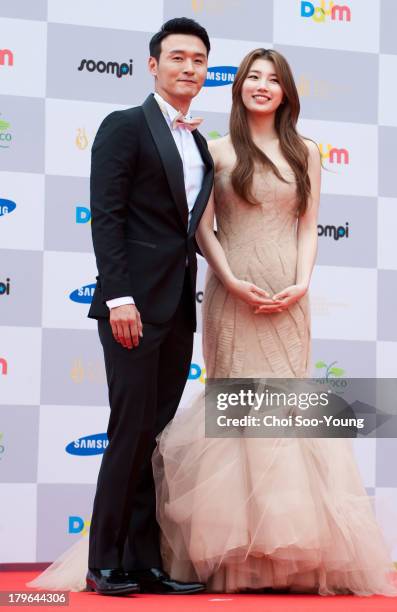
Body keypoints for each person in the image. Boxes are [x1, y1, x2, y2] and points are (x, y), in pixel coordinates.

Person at [151, 48, 397, 596]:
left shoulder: (306, 152)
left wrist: (302, 283)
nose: (262, 86)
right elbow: (203, 230)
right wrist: (229, 279)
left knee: (284, 412)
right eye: (252, 77)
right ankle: (234, 560)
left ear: (287, 91)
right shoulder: (213, 150)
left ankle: (284, 558)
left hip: (290, 299)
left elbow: (309, 226)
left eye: (273, 79)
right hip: (231, 294)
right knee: (236, 412)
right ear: (239, 87)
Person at [28, 17, 214, 596]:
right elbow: (105, 217)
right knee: (128, 430)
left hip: (178, 306)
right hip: (131, 306)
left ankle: (145, 563)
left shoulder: (199, 141)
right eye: (178, 57)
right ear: (153, 65)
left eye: (199, 60)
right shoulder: (125, 126)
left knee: (153, 436)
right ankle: (103, 561)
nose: (189, 67)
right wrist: (119, 298)